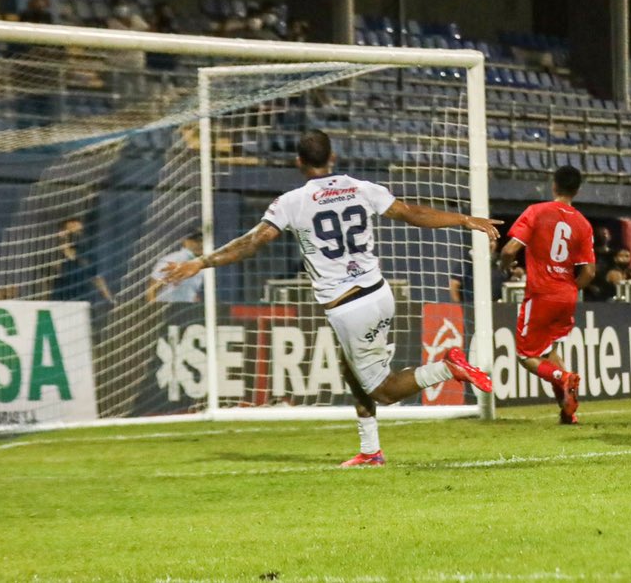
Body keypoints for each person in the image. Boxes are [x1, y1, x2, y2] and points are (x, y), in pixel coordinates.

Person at [162, 130, 498, 467]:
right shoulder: (361, 188)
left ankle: (447, 368)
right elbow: (412, 213)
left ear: (298, 162)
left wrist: (201, 262)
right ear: (332, 157)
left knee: (383, 391)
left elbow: (252, 242)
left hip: (350, 307)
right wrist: (465, 219)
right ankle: (370, 450)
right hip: (379, 292)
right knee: (349, 367)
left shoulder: (292, 202)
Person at [499, 166, 596, 424]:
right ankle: (567, 413)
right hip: (567, 296)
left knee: (525, 355)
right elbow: (589, 272)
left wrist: (504, 266)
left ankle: (563, 378)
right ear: (577, 190)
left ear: (554, 185)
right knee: (549, 351)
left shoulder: (537, 212)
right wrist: (570, 289)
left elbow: (509, 250)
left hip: (541, 293)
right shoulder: (583, 223)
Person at [51, 218, 113, 304]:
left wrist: (109, 298)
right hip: (61, 297)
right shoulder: (55, 252)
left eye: (80, 231)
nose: (78, 234)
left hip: (80, 296)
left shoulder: (83, 251)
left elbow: (95, 276)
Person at [147, 233, 204, 302]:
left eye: (203, 241)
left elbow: (191, 291)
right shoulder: (172, 259)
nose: (201, 244)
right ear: (186, 241)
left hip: (188, 306)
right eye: (197, 241)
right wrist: (153, 306)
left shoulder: (201, 265)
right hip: (166, 305)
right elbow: (152, 289)